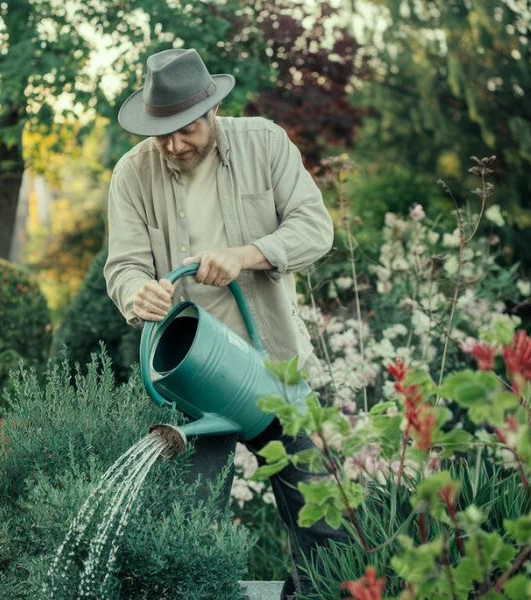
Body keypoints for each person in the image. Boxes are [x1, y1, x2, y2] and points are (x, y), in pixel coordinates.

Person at [103, 48, 344, 599]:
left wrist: (247, 253)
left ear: (211, 111)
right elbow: (124, 266)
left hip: (275, 368)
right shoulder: (132, 173)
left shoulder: (265, 142)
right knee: (189, 533)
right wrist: (137, 292)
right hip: (190, 384)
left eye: (184, 131)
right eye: (160, 133)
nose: (172, 145)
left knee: (324, 522)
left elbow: (315, 229)